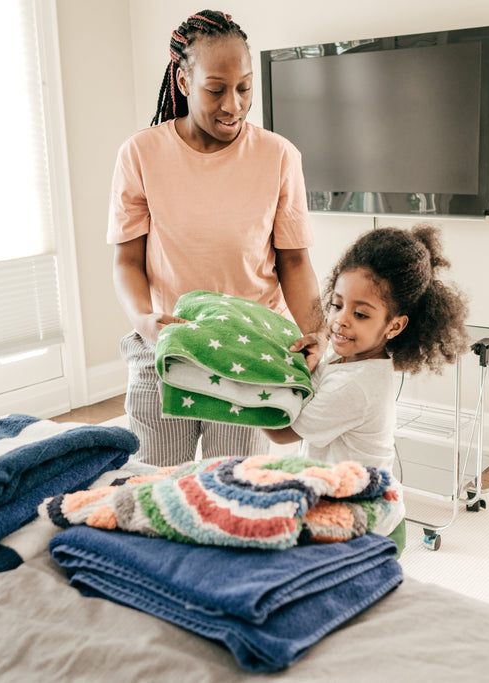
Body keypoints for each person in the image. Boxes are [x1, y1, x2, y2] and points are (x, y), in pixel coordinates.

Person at [108, 10, 327, 467]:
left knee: (235, 489)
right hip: (162, 346)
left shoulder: (279, 156)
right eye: (216, 89)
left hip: (248, 352)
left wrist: (316, 333)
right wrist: (144, 320)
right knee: (155, 484)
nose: (234, 105)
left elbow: (294, 262)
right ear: (185, 82)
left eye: (245, 87)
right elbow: (128, 261)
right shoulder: (140, 153)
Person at [264, 225, 471, 555]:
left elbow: (282, 431)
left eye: (360, 314)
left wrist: (252, 382)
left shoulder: (357, 385)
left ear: (394, 325)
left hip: (367, 525)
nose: (340, 321)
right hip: (349, 506)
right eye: (335, 304)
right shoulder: (349, 361)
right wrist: (311, 364)